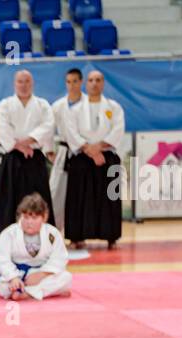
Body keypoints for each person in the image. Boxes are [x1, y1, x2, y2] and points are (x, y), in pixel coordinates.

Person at [0, 70, 55, 249]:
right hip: (13, 156)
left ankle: (47, 237)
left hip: (34, 156)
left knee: (39, 197)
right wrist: (18, 145)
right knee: (6, 197)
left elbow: (48, 125)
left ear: (32, 84)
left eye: (27, 81)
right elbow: (1, 128)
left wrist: (29, 141)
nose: (24, 85)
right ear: (14, 84)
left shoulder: (42, 105)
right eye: (20, 81)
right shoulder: (5, 105)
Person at [61, 70, 127, 249]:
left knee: (109, 198)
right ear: (85, 83)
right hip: (82, 156)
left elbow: (117, 130)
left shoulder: (114, 108)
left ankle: (110, 235)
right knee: (78, 198)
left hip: (106, 156)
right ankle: (76, 236)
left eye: (98, 80)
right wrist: (89, 149)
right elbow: (71, 133)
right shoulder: (73, 110)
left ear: (103, 83)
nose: (94, 83)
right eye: (91, 80)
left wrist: (99, 148)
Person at [0, 193, 73, 301]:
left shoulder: (52, 234)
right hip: (17, 273)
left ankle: (27, 294)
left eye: (34, 218)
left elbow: (59, 259)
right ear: (20, 216)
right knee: (1, 285)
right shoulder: (9, 234)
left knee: (66, 278)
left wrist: (42, 274)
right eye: (25, 217)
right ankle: (39, 291)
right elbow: (2, 260)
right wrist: (13, 278)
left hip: (41, 274)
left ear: (44, 217)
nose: (29, 222)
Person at [48, 68, 84, 234]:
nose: (72, 85)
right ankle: (54, 231)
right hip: (63, 151)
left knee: (80, 194)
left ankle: (78, 234)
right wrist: (49, 150)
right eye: (68, 82)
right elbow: (49, 128)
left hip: (84, 153)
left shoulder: (88, 104)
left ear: (81, 82)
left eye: (75, 81)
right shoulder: (58, 106)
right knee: (55, 191)